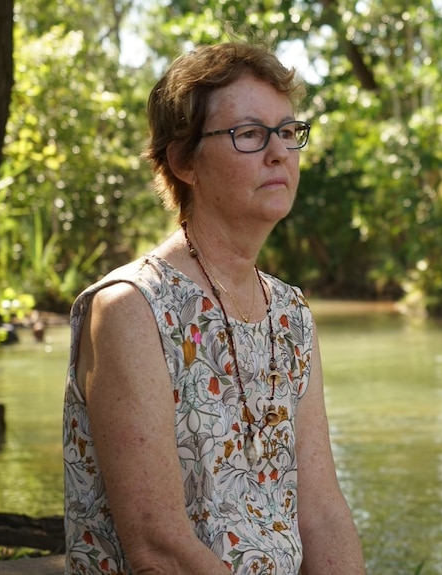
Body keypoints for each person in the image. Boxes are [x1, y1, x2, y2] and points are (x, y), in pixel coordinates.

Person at [62, 41, 366, 574]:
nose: (279, 152)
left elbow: (323, 516)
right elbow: (160, 548)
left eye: (288, 132)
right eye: (249, 134)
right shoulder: (132, 309)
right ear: (182, 161)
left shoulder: (292, 315)